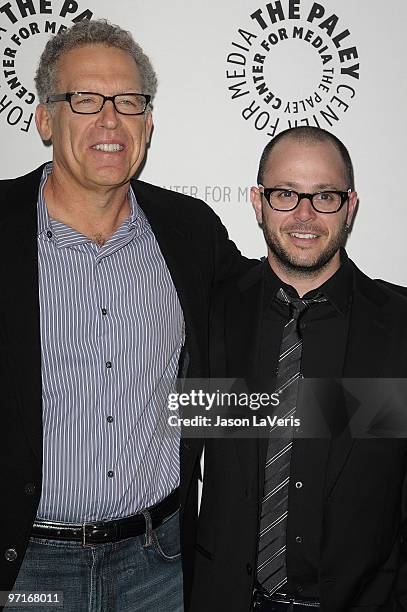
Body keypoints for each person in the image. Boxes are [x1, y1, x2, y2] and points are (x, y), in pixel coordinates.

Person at [0, 19, 249, 612]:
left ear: (149, 122)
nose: (110, 120)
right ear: (43, 119)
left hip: (159, 562)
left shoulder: (191, 232)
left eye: (129, 102)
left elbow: (263, 327)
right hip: (28, 569)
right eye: (85, 100)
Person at [190, 126, 407, 611]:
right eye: (286, 193)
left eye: (324, 196)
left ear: (350, 205)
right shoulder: (208, 309)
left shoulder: (398, 327)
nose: (304, 214)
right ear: (258, 201)